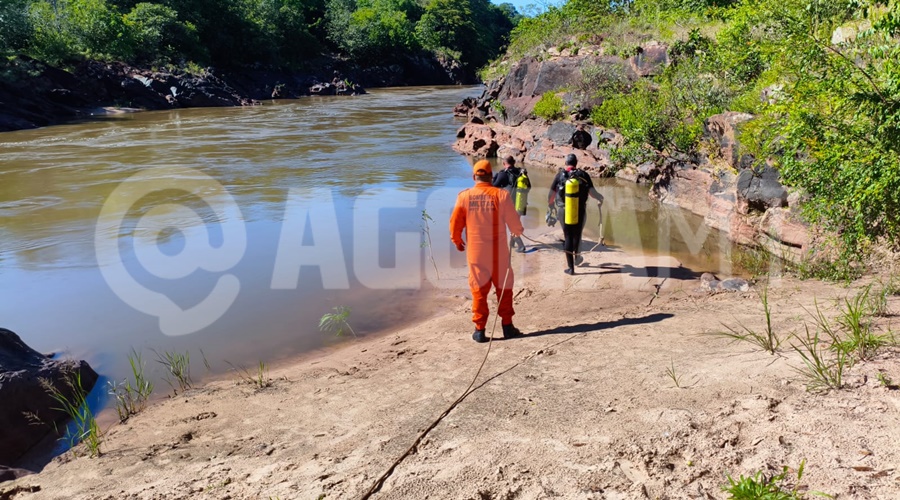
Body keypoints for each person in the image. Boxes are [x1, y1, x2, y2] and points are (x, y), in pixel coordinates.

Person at [450, 159, 526, 343]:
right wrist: (518, 231)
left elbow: (455, 224)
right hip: (499, 254)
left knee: (478, 291)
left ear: (474, 176)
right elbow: (514, 223)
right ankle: (507, 326)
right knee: (504, 289)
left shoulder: (464, 196)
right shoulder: (501, 195)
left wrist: (457, 241)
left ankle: (479, 330)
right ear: (491, 176)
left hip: (476, 255)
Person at [547, 153, 603, 275]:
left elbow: (551, 195)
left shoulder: (560, 175)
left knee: (568, 237)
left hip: (563, 210)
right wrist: (600, 197)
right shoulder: (583, 175)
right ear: (576, 163)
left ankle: (571, 268)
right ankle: (577, 258)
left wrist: (551, 206)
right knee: (577, 235)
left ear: (566, 163)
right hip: (580, 210)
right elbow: (593, 193)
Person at [492, 156, 530, 253]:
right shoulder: (521, 173)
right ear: (514, 163)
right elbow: (529, 187)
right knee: (514, 223)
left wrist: (495, 177)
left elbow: (492, 187)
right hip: (521, 203)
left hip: (509, 205)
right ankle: (512, 243)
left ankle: (521, 246)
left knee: (511, 225)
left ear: (504, 163)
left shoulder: (502, 174)